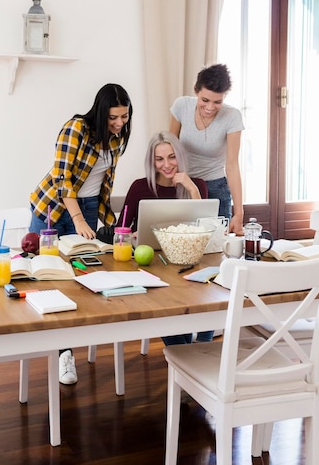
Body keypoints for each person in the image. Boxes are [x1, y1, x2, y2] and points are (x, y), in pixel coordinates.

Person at [29, 83, 133, 384]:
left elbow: (104, 187)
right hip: (53, 207)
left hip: (86, 209)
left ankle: (65, 353)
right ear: (101, 112)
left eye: (124, 117)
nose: (119, 123)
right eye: (113, 117)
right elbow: (63, 180)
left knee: (78, 282)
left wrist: (111, 225)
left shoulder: (116, 140)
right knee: (46, 277)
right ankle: (51, 349)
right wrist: (77, 220)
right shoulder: (75, 128)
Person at [98, 130, 211, 346]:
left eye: (172, 157)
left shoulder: (197, 185)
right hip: (152, 264)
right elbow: (121, 230)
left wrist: (191, 188)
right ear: (152, 161)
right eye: (159, 159)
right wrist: (132, 236)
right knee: (165, 305)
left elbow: (205, 228)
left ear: (180, 157)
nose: (166, 164)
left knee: (208, 291)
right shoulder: (140, 186)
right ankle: (185, 352)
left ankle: (202, 346)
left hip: (188, 262)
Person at [169, 63, 245, 235]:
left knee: (215, 246)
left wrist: (239, 213)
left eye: (217, 102)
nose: (210, 107)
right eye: (205, 100)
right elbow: (169, 148)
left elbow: (232, 165)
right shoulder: (182, 106)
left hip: (215, 187)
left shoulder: (232, 117)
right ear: (196, 90)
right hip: (183, 183)